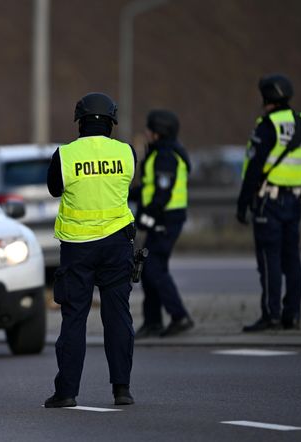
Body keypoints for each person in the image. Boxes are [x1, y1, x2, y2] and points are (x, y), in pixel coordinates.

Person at [44, 92, 136, 408]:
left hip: (77, 248)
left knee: (74, 319)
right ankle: (122, 389)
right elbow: (129, 186)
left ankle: (67, 392)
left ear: (80, 123)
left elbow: (55, 189)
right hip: (116, 244)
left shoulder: (66, 155)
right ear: (111, 123)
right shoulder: (126, 152)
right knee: (118, 317)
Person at [237, 73, 301, 332]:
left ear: (266, 98)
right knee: (292, 259)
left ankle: (271, 315)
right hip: (295, 200)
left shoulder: (267, 125)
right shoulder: (300, 122)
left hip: (269, 202)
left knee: (269, 260)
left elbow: (254, 167)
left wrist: (243, 203)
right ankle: (292, 315)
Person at [132, 110, 194, 338]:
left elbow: (162, 193)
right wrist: (129, 193)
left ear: (159, 132)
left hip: (166, 219)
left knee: (154, 268)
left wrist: (147, 218)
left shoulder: (165, 155)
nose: (146, 133)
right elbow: (151, 188)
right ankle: (153, 321)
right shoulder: (161, 152)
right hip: (163, 218)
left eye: (149, 129)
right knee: (150, 270)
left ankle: (180, 317)